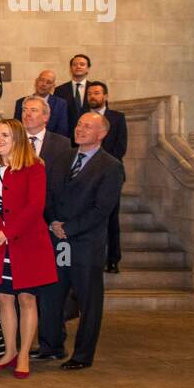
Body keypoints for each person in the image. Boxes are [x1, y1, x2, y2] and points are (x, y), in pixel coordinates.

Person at [42, 111, 124, 370]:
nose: (80, 129)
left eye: (88, 127)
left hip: (86, 244)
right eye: (78, 124)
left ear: (102, 134)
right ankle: (51, 346)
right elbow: (49, 194)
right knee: (51, 295)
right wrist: (54, 222)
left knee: (88, 300)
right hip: (58, 240)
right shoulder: (62, 157)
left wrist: (70, 228)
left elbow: (102, 209)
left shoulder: (110, 166)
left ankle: (82, 355)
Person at [0, 119, 57, 378]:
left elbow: (35, 207)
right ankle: (10, 350)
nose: (0, 140)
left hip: (27, 243)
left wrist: (6, 233)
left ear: (18, 139)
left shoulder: (34, 167)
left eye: (6, 135)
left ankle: (24, 354)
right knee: (3, 299)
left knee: (26, 298)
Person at [86, 81, 128, 273]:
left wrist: (101, 167)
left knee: (111, 218)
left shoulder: (118, 118)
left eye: (96, 93)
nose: (93, 96)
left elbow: (120, 147)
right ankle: (92, 258)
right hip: (85, 177)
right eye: (90, 94)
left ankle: (113, 259)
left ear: (106, 96)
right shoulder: (82, 118)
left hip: (110, 176)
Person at [14, 70, 70, 138]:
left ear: (53, 86)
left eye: (48, 82)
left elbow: (62, 130)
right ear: (36, 81)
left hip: (51, 144)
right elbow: (17, 128)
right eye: (41, 80)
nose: (44, 84)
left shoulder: (60, 104)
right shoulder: (21, 102)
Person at [54, 53, 93, 136]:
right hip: (66, 138)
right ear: (70, 69)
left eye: (82, 64)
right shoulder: (60, 90)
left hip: (90, 135)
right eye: (75, 64)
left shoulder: (95, 89)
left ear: (88, 69)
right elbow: (56, 116)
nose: (78, 66)